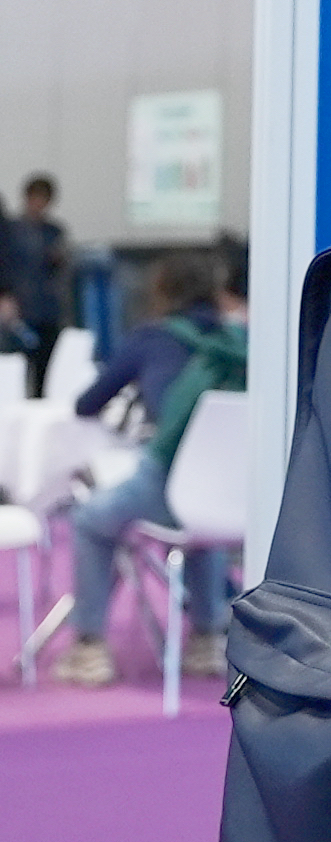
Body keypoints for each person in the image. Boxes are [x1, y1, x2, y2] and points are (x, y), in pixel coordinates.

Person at [54, 247, 249, 686]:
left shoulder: (151, 337)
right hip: (234, 495)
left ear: (160, 290)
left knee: (89, 520)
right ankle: (207, 637)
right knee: (201, 523)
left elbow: (88, 404)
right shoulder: (241, 343)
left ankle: (89, 648)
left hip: (165, 482)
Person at [0, 174, 70, 393]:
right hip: (19, 306)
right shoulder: (10, 231)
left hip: (46, 309)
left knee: (45, 368)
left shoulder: (53, 232)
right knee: (15, 367)